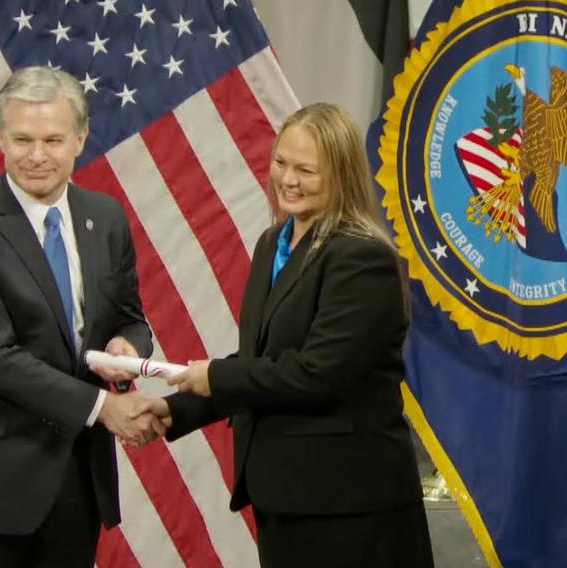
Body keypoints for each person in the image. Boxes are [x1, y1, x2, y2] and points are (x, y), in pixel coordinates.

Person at [141, 103, 434, 567]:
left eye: (306, 170)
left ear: (341, 175)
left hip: (348, 506)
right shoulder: (273, 243)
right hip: (285, 497)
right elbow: (261, 357)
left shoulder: (362, 259)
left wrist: (214, 377)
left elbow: (316, 373)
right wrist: (176, 409)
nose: (288, 180)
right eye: (281, 162)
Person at [0, 66, 164, 568]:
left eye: (53, 139)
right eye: (22, 139)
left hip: (76, 478)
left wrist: (129, 348)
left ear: (80, 138)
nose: (37, 156)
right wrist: (104, 407)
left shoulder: (106, 218)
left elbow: (130, 316)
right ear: (1, 139)